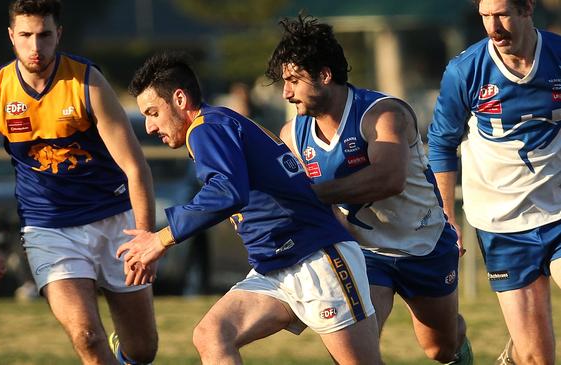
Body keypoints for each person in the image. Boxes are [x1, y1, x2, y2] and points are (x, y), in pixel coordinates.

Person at [118, 52, 383, 364]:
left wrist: (160, 239)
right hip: (275, 265)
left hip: (315, 259)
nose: (149, 127)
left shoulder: (206, 128)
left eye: (152, 113)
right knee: (212, 334)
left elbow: (227, 191)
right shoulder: (218, 124)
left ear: (179, 99)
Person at [266, 14, 473, 364]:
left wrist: (315, 195)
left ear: (325, 75)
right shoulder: (293, 134)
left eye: (294, 81)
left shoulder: (382, 114)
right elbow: (284, 190)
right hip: (365, 254)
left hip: (422, 243)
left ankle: (458, 345)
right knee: (354, 351)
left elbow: (387, 180)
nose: (286, 92)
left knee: (440, 348)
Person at [0, 1, 158, 364]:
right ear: (11, 36)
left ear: (59, 35)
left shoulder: (86, 82)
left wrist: (147, 239)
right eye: (25, 36)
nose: (35, 47)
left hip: (113, 219)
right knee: (86, 337)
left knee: (143, 350)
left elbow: (135, 167)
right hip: (49, 230)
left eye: (44, 35)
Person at [428, 0, 561, 363]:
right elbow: (441, 144)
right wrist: (447, 218)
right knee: (537, 358)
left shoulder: (557, 55)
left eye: (502, 14)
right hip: (502, 223)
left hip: (558, 212)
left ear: (527, 9)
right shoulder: (466, 70)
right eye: (485, 16)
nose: (493, 26)